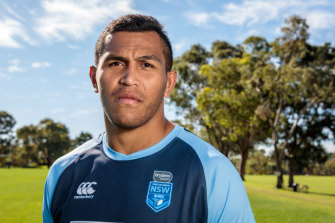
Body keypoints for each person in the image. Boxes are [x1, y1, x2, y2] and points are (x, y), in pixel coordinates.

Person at [42, 14, 255, 223]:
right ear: (94, 79)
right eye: (116, 63)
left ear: (169, 83)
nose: (129, 79)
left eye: (146, 65)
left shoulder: (212, 171)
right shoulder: (63, 173)